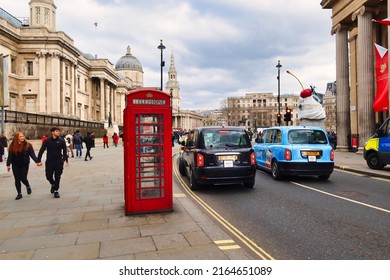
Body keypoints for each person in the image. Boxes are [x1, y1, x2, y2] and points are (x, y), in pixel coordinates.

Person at [6, 132, 42, 200]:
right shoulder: (12, 145)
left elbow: (32, 154)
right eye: (20, 136)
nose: (22, 137)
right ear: (17, 138)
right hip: (15, 164)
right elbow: (10, 156)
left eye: (23, 136)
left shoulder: (28, 145)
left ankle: (27, 185)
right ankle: (19, 193)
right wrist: (8, 165)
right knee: (17, 179)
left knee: (23, 178)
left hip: (24, 164)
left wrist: (37, 161)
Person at [38, 127, 67, 199]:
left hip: (58, 161)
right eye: (56, 131)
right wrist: (38, 160)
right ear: (52, 132)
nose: (58, 132)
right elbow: (41, 150)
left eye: (58, 131)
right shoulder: (47, 141)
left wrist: (63, 159)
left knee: (57, 176)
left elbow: (65, 150)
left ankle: (56, 190)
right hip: (49, 161)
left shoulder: (61, 141)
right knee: (48, 176)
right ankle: (53, 184)